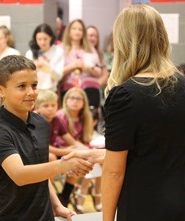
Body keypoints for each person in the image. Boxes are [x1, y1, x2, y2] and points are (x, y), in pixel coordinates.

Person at [101, 4, 185, 221]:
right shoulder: (183, 84)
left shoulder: (125, 95)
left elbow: (114, 172)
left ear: (123, 41)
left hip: (145, 206)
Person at [0, 55, 93, 221]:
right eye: (22, 86)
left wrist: (57, 206)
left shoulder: (41, 123)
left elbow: (40, 172)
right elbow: (20, 175)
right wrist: (63, 164)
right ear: (0, 90)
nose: (31, 92)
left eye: (34, 85)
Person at [56, 87, 93, 207]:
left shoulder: (85, 118)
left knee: (89, 160)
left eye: (78, 99)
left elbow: (85, 139)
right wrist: (89, 152)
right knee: (80, 162)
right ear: (66, 100)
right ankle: (68, 197)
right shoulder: (61, 116)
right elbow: (69, 141)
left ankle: (67, 197)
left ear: (84, 103)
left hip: (77, 150)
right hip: (61, 149)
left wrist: (88, 150)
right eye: (72, 98)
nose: (75, 101)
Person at [59, 19, 102, 108]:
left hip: (90, 88)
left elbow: (99, 72)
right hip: (69, 88)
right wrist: (72, 66)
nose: (77, 31)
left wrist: (87, 67)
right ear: (69, 31)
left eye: (80, 29)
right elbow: (57, 73)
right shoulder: (60, 49)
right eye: (74, 28)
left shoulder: (90, 49)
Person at [35, 89, 85, 161]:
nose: (50, 109)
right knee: (51, 157)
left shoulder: (57, 119)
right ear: (37, 108)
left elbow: (71, 141)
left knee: (80, 152)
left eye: (53, 105)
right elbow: (42, 147)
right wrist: (64, 151)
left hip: (53, 150)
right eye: (46, 106)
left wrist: (86, 150)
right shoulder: (36, 121)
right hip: (36, 152)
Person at [25, 23, 64, 92]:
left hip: (52, 90)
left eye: (45, 39)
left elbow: (58, 77)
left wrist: (47, 67)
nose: (42, 42)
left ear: (51, 38)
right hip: (34, 91)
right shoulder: (30, 53)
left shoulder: (58, 51)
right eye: (39, 39)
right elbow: (26, 76)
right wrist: (34, 68)